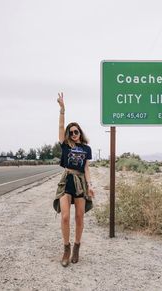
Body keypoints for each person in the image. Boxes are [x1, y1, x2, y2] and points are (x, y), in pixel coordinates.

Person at [55, 92, 95, 267]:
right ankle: (66, 248)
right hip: (67, 180)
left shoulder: (86, 148)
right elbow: (61, 126)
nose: (73, 134)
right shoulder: (65, 145)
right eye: (71, 132)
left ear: (80, 132)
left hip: (80, 182)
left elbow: (86, 168)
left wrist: (90, 185)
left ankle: (77, 247)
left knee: (79, 216)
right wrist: (62, 110)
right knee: (65, 217)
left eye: (76, 131)